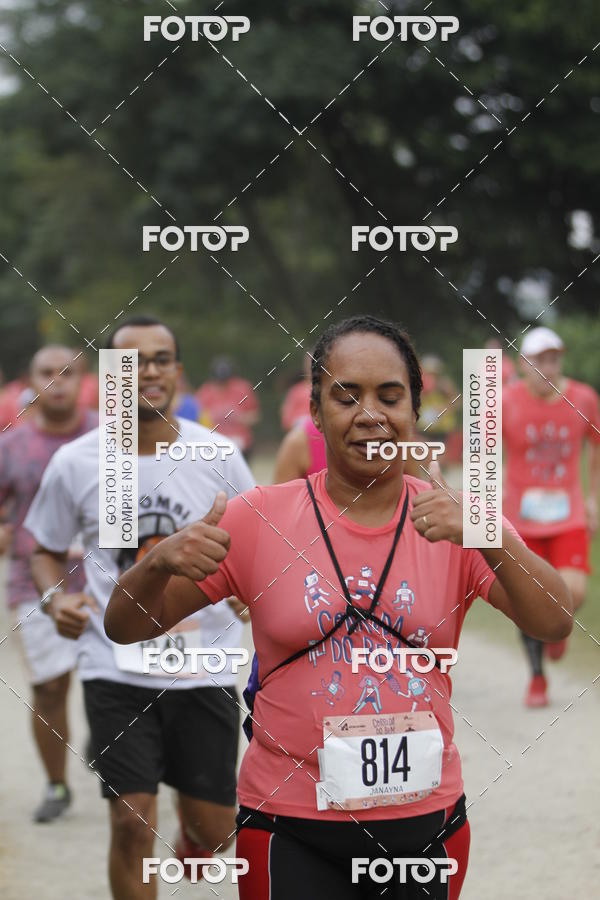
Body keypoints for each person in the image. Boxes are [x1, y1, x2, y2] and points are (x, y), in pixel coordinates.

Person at [106, 314, 571, 900]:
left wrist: (492, 538)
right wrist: (156, 563)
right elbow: (124, 627)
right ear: (317, 414)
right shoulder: (257, 518)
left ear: (414, 411)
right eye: (345, 396)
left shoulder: (460, 518)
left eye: (390, 396)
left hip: (425, 825)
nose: (370, 414)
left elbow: (555, 620)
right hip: (287, 824)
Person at [25, 316, 255, 900]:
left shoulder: (219, 455)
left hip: (203, 666)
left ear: (178, 371)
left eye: (161, 358)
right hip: (115, 664)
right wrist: (56, 600)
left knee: (215, 828)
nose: (148, 370)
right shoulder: (78, 462)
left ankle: (196, 836)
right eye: (133, 361)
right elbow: (44, 549)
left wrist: (247, 590)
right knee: (130, 822)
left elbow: (257, 544)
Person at [0, 346, 97, 822]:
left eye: (68, 373)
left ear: (85, 380)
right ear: (30, 379)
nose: (57, 382)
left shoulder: (111, 437)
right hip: (33, 580)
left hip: (108, 577)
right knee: (52, 686)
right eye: (46, 373)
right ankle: (57, 785)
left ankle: (108, 741)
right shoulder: (11, 446)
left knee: (113, 679)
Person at [503, 326, 600, 707]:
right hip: (520, 517)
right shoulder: (505, 401)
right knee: (525, 599)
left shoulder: (583, 398)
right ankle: (537, 677)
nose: (549, 366)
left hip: (568, 512)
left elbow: (596, 445)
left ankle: (558, 630)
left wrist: (594, 498)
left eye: (554, 358)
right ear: (523, 364)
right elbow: (482, 453)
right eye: (540, 359)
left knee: (573, 590)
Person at [196, 356, 260, 457]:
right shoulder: (205, 392)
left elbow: (255, 416)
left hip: (239, 440)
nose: (222, 384)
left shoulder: (242, 389)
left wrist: (239, 418)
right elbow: (199, 420)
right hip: (213, 441)